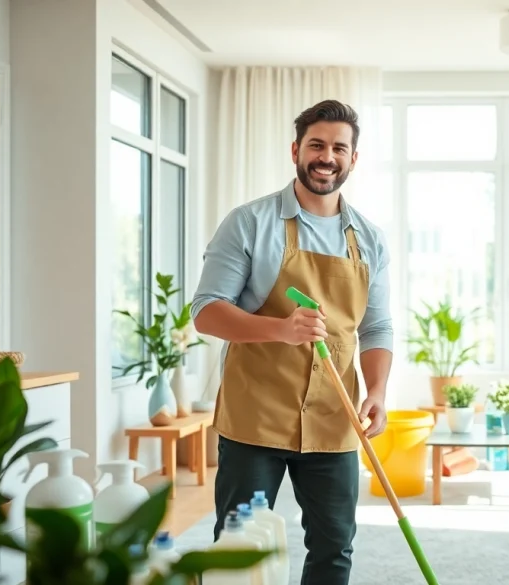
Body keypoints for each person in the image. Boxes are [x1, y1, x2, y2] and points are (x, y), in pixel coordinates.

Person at [191, 99, 393, 585]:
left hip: (332, 415)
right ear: (296, 150)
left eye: (339, 148)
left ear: (353, 158)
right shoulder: (249, 222)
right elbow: (206, 311)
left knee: (334, 545)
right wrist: (280, 329)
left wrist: (378, 393)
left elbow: (377, 327)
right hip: (255, 414)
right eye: (317, 145)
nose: (327, 157)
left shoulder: (369, 238)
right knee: (240, 546)